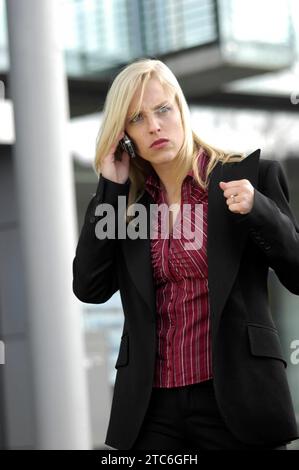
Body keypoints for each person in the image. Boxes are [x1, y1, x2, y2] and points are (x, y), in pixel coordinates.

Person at [72, 59, 299, 450]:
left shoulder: (251, 178)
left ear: (180, 108)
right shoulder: (133, 207)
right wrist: (110, 188)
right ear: (125, 136)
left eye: (163, 109)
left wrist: (260, 210)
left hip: (236, 398)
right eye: (137, 119)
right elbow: (89, 287)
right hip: (152, 407)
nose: (154, 126)